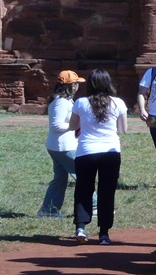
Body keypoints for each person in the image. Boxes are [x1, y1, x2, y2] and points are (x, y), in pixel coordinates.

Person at [68, 69, 128, 245]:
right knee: (107, 191)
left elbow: (73, 126)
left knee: (83, 189)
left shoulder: (80, 103)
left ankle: (81, 227)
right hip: (110, 152)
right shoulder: (118, 103)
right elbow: (123, 129)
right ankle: (104, 233)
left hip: (86, 152)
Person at [38, 70, 84, 218]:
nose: (78, 86)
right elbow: (56, 125)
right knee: (83, 175)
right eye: (75, 83)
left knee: (60, 178)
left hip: (58, 146)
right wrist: (75, 126)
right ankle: (94, 207)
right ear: (69, 86)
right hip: (64, 147)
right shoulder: (61, 102)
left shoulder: (63, 100)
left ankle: (48, 210)